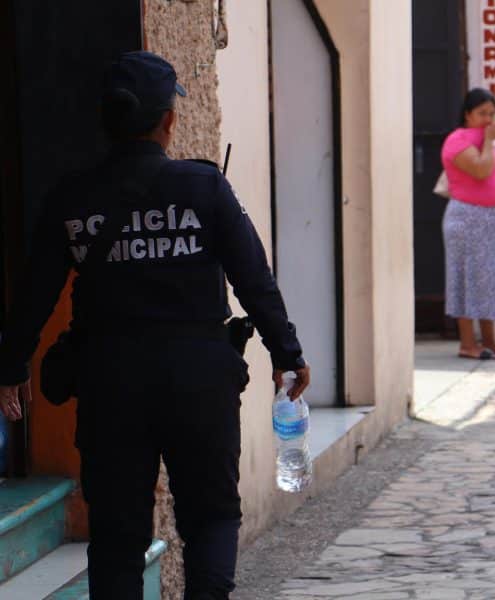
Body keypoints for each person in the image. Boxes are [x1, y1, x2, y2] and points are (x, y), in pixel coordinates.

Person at [0, 51, 310, 598]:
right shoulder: (204, 188)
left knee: (118, 537)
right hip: (198, 379)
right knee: (211, 517)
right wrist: (287, 354)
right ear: (168, 120)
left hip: (110, 382)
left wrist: (10, 364)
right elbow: (253, 279)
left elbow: (35, 294)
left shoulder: (70, 198)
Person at [442, 88, 495, 359]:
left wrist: (490, 141)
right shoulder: (458, 140)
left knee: (491, 281)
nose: (488, 119)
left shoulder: (491, 140)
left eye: (492, 113)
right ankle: (468, 344)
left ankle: (490, 340)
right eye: (482, 113)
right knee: (467, 280)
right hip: (469, 219)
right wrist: (487, 141)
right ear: (467, 114)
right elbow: (480, 169)